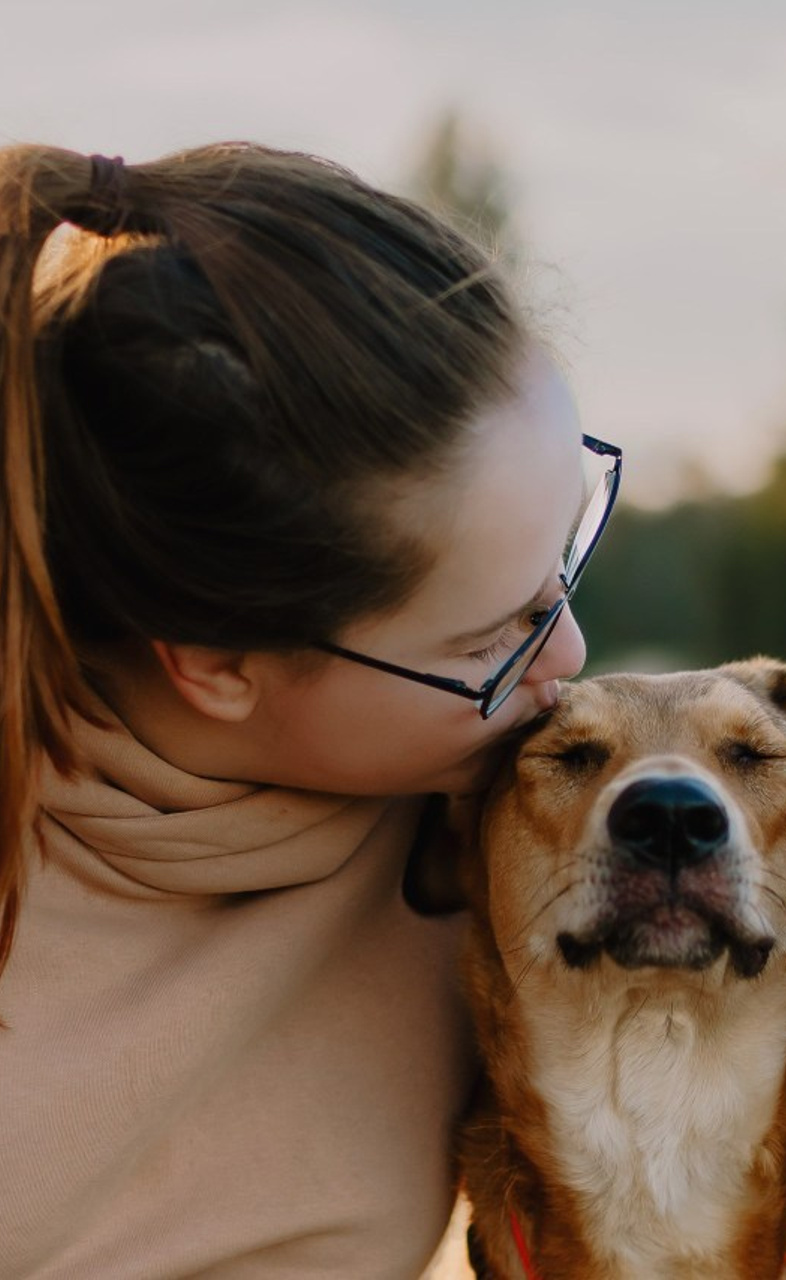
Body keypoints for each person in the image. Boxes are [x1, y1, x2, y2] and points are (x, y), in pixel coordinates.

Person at [0, 142, 620, 1277]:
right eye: (488, 637)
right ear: (218, 662)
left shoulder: (511, 820)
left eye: (568, 558)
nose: (566, 657)